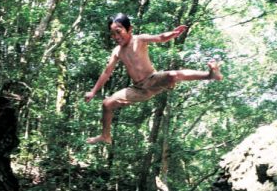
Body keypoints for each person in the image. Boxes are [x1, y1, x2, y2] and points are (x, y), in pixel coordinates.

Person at [85, 13, 223, 144]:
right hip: (138, 89)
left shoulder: (139, 39)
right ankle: (105, 136)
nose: (116, 36)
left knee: (173, 75)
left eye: (118, 31)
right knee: (107, 104)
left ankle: (210, 75)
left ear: (129, 29)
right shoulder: (117, 51)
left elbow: (160, 37)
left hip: (153, 79)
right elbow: (107, 72)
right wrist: (93, 91)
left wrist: (172, 34)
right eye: (112, 34)